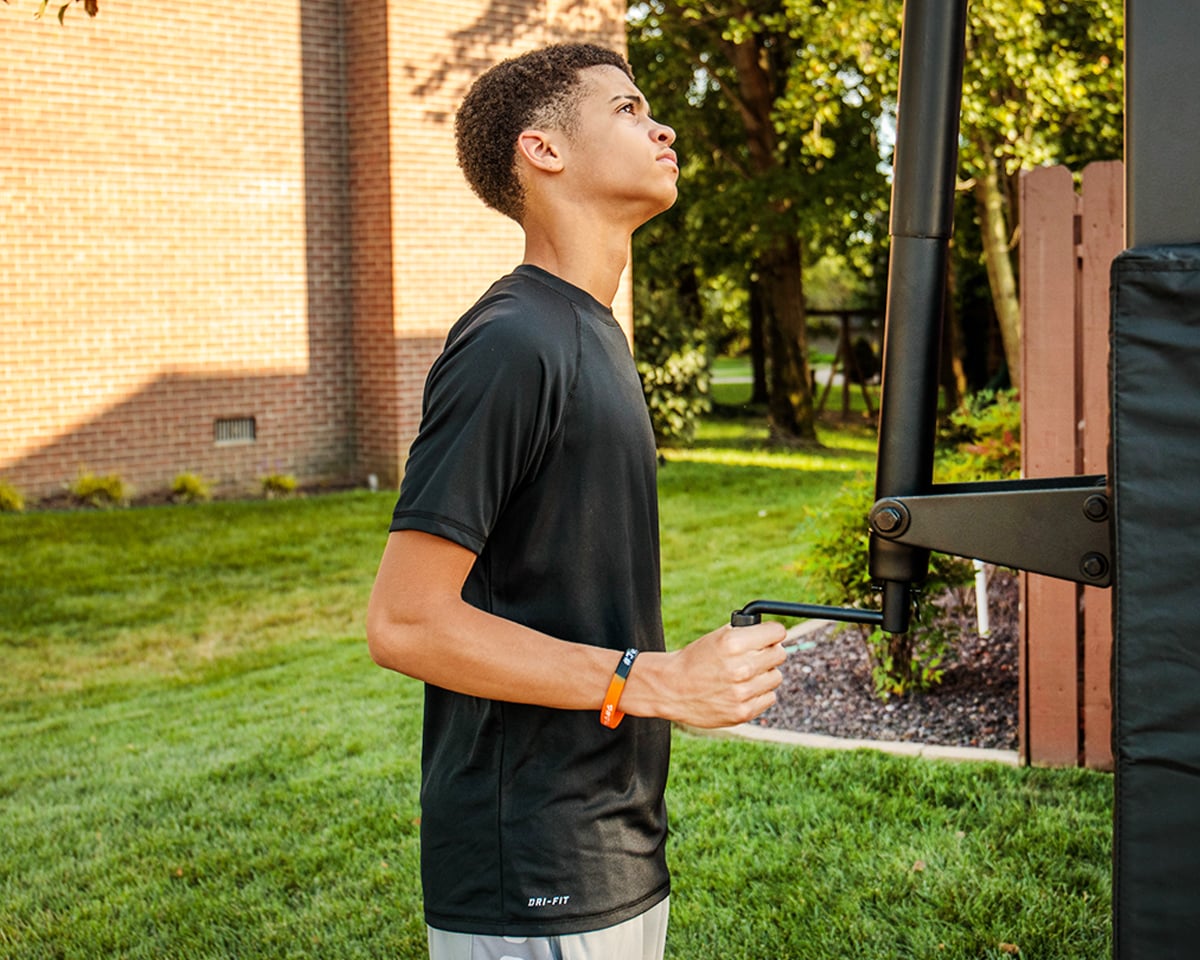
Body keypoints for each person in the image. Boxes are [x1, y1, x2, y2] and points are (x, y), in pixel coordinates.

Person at [366, 42, 787, 960]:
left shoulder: (591, 334)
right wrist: (658, 679)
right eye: (629, 109)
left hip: (616, 843)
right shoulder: (513, 341)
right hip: (534, 870)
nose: (662, 124)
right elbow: (404, 623)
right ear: (543, 151)